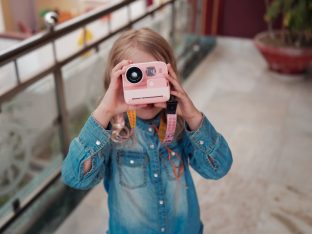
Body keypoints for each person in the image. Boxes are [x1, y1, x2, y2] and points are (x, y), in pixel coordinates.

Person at [61, 28, 233, 234]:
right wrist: (105, 111)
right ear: (115, 82)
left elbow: (219, 168)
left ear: (171, 76)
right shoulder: (111, 134)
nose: (146, 92)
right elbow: (75, 177)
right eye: (135, 77)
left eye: (154, 76)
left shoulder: (180, 126)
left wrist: (193, 117)